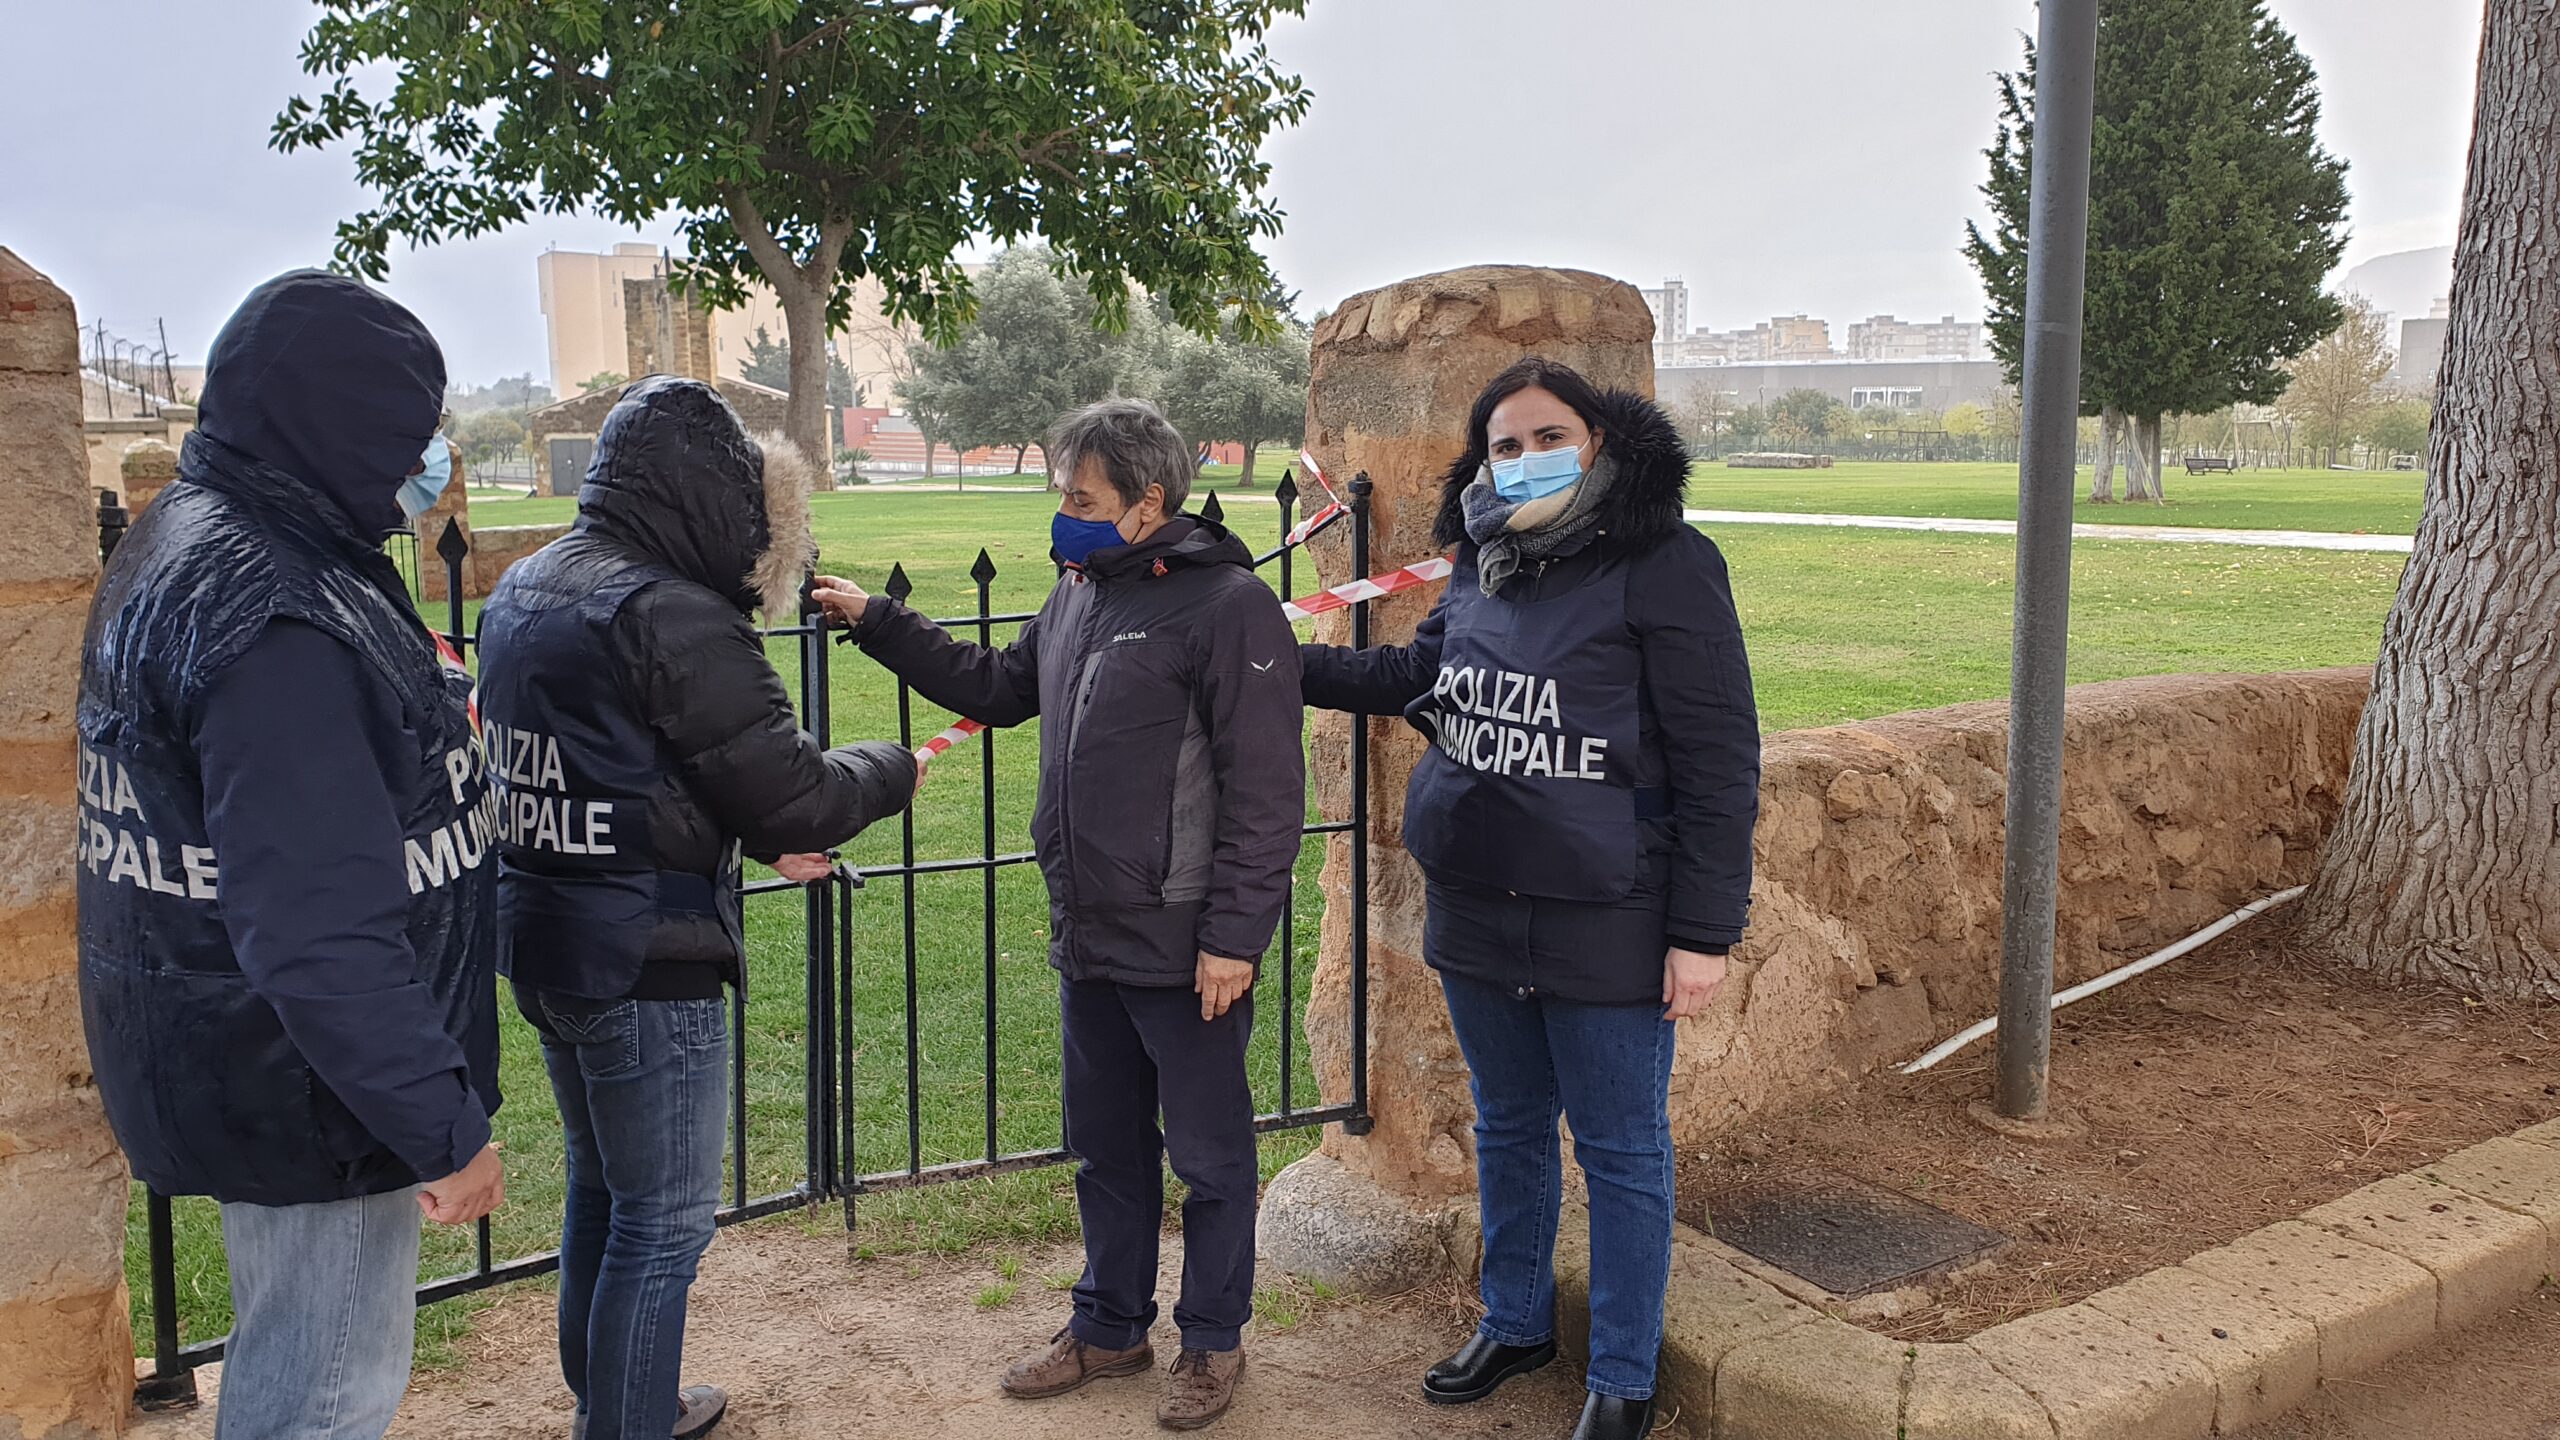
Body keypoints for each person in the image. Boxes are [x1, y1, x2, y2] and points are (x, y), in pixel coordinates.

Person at [812, 399, 1304, 1432]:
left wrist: (1233, 938)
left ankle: (1212, 1340)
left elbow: (1263, 790)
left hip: (1185, 945)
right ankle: (1111, 1326)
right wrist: (879, 618)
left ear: (1146, 504)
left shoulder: (1227, 607)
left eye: (1080, 497)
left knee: (1209, 1159)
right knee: (1106, 1148)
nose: (1061, 513)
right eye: (1061, 493)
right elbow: (996, 688)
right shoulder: (1078, 592)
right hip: (1088, 932)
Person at [77, 270, 505, 1440]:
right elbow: (315, 927)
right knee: (321, 1392)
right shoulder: (277, 616)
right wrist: (440, 1124)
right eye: (412, 430)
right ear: (341, 421)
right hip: (314, 1083)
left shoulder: (202, 534)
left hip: (244, 1052)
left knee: (298, 1359)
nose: (426, 456)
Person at [1297, 359, 1760, 1440]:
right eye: (1503, 444)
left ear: (1599, 442)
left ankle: (1623, 1374)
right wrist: (1268, 664)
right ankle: (1514, 1322)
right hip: (1478, 899)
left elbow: (1718, 758)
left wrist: (1701, 933)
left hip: (1608, 906)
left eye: (1545, 436)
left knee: (1620, 1150)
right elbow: (1414, 679)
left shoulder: (1668, 564)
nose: (1521, 459)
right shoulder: (1482, 560)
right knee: (1506, 1124)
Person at [476, 377, 921, 1440]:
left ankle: (616, 1401)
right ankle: (626, 1421)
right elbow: (795, 792)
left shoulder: (532, 585)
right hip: (644, 949)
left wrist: (761, 831)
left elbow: (647, 766)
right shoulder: (670, 613)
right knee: (663, 1227)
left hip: (548, 932)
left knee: (605, 1190)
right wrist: (891, 764)